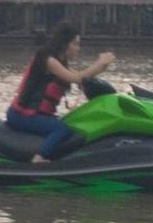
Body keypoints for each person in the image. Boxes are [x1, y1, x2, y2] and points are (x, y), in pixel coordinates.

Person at [6, 23, 115, 163]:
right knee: (62, 129)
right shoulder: (48, 60)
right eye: (75, 44)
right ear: (64, 43)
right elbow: (77, 78)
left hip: (37, 114)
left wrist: (102, 68)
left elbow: (82, 79)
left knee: (73, 122)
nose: (78, 49)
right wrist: (100, 63)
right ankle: (38, 159)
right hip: (21, 114)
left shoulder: (61, 64)